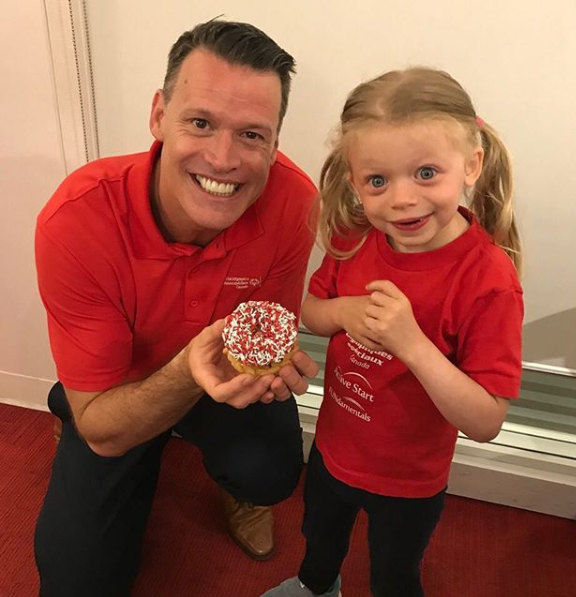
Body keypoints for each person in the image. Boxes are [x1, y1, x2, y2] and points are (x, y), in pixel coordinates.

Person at [33, 20, 320, 596]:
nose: (223, 158)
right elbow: (106, 427)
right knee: (76, 584)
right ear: (159, 114)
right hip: (121, 388)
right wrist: (173, 380)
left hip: (220, 373)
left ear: (275, 142)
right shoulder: (76, 220)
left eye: (252, 135)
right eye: (201, 122)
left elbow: (268, 327)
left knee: (271, 473)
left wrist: (271, 371)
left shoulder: (294, 202)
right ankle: (77, 409)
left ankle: (226, 482)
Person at [261, 68, 524, 597]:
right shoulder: (353, 237)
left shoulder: (488, 280)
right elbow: (310, 311)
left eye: (426, 172)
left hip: (410, 480)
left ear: (471, 165)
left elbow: (486, 420)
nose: (402, 199)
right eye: (378, 181)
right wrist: (344, 313)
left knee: (394, 573)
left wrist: (411, 344)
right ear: (355, 181)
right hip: (334, 449)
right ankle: (317, 586)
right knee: (319, 538)